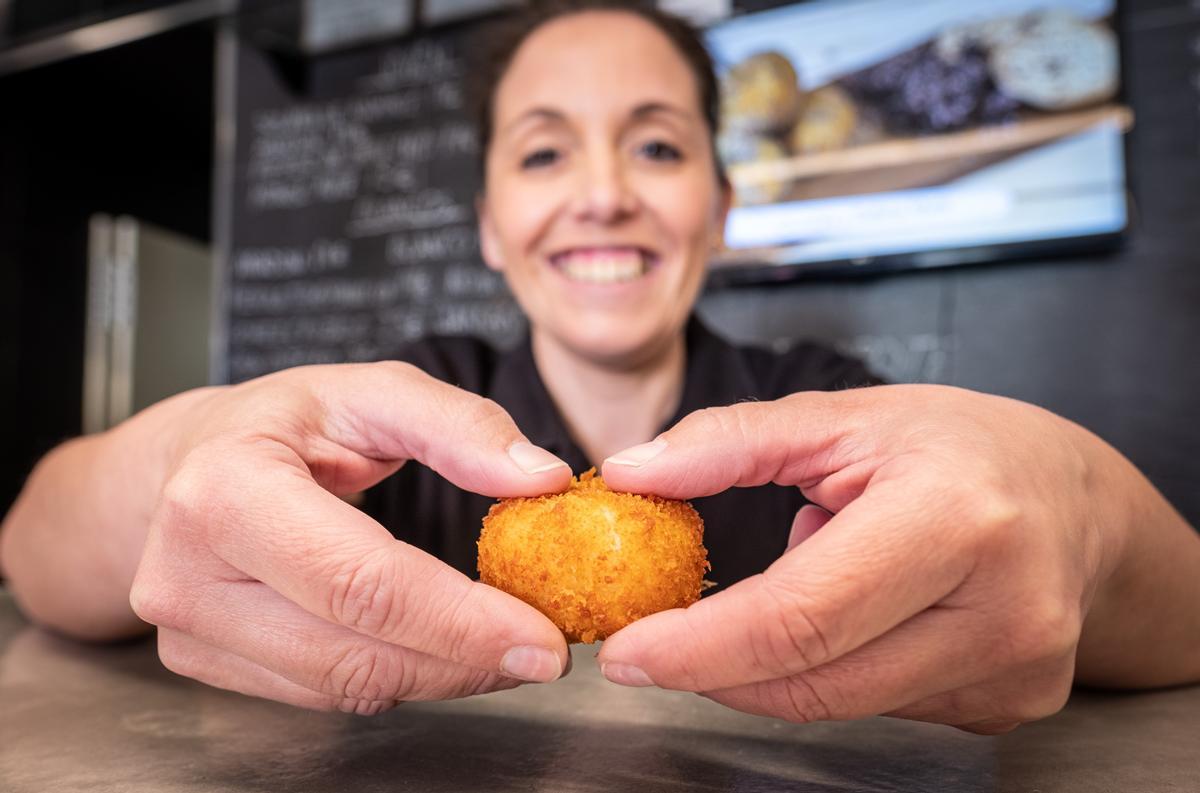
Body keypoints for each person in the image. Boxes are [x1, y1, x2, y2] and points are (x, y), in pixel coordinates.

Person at [1, 0, 1198, 732]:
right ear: (486, 223)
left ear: (722, 210)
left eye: (658, 144)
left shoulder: (832, 412)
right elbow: (33, 551)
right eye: (543, 154)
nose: (605, 194)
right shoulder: (392, 428)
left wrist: (1072, 499)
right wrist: (176, 460)